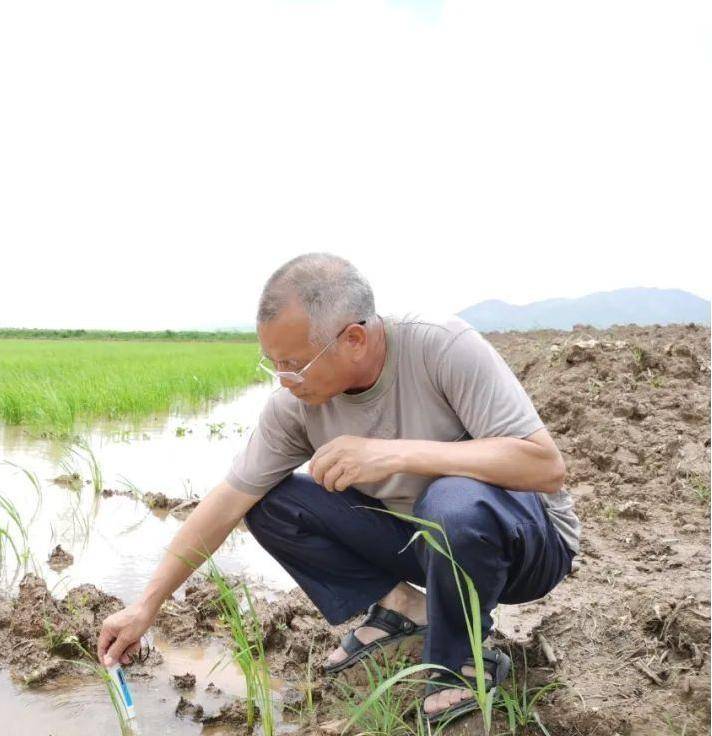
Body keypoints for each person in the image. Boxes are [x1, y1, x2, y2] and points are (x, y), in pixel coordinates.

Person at [98, 252, 579, 723]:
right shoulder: (295, 406)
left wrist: (395, 453)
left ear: (353, 339)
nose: (284, 381)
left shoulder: (441, 347)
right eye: (273, 364)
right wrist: (146, 605)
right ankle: (408, 608)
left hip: (524, 546)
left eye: (295, 364)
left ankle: (461, 658)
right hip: (425, 543)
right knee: (272, 503)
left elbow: (544, 466)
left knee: (450, 500)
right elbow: (227, 501)